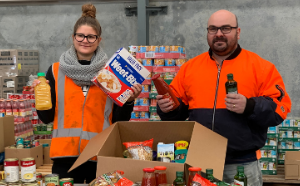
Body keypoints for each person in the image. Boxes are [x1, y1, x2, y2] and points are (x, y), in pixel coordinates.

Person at [157, 9, 291, 185]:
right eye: (213, 29)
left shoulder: (260, 67)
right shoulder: (190, 68)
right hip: (199, 162)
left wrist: (250, 106)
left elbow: (279, 110)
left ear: (238, 32)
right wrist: (167, 109)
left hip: (241, 165)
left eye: (226, 28)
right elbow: (177, 110)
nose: (218, 34)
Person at [30, 3, 142, 183]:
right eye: (80, 35)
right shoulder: (55, 71)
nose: (85, 40)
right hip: (64, 159)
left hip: (98, 157)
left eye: (91, 37)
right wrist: (39, 95)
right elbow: (46, 118)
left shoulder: (111, 74)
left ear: (99, 39)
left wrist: (129, 100)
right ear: (73, 37)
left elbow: (118, 121)